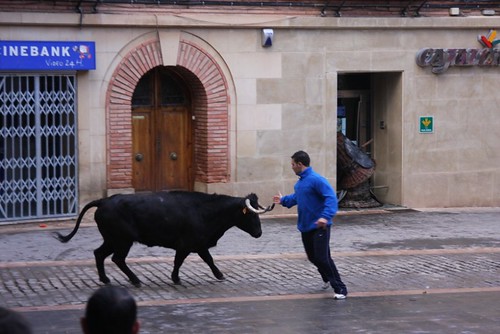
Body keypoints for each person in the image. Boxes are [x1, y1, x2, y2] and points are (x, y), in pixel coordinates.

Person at [273, 150, 348, 299]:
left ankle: (340, 289)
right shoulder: (300, 182)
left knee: (323, 258)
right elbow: (297, 197)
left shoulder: (317, 180)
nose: (292, 167)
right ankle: (327, 277)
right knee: (313, 257)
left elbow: (331, 198)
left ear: (300, 164)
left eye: (293, 164)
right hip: (305, 226)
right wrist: (283, 200)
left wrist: (325, 217)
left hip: (320, 226)